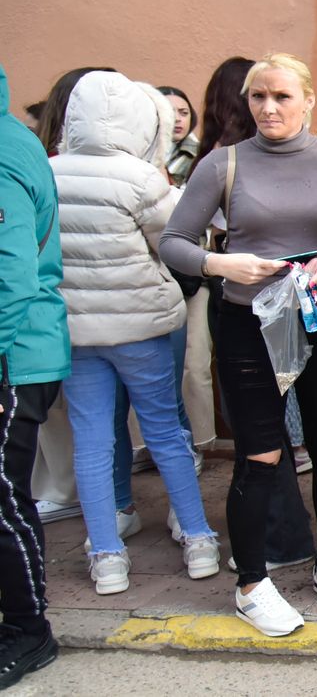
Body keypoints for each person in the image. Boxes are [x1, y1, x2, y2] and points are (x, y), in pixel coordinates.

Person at [160, 52, 317, 636]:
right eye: (258, 96)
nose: (268, 107)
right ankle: (252, 583)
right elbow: (173, 241)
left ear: (308, 99)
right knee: (261, 454)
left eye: (281, 96)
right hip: (246, 320)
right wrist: (220, 261)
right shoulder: (222, 164)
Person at [51, 72, 222, 596]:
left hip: (76, 329)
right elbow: (174, 241)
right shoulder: (143, 178)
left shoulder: (49, 171)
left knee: (94, 441)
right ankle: (196, 537)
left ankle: (106, 554)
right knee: (166, 432)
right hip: (142, 327)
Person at [0, 61, 71, 689]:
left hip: (13, 355)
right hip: (20, 349)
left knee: (4, 497)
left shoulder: (2, 152)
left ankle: (28, 629)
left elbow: (9, 274)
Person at [30, 66, 115, 526]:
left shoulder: (45, 162)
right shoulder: (43, 158)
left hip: (58, 298)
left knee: (68, 411)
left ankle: (65, 489)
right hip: (79, 301)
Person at [162, 86, 201, 187]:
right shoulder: (138, 150)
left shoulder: (200, 154)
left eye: (184, 113)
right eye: (169, 112)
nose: (177, 119)